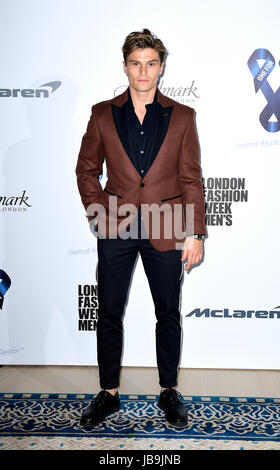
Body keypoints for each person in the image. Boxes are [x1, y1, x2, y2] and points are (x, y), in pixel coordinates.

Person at [75, 28, 206, 428]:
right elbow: (86, 170)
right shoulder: (102, 113)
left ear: (161, 67)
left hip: (168, 228)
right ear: (125, 67)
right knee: (109, 312)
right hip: (116, 228)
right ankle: (108, 393)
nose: (143, 71)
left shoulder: (183, 116)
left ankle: (169, 390)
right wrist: (100, 212)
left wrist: (195, 233)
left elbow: (191, 179)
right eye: (136, 64)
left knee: (168, 313)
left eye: (150, 63)